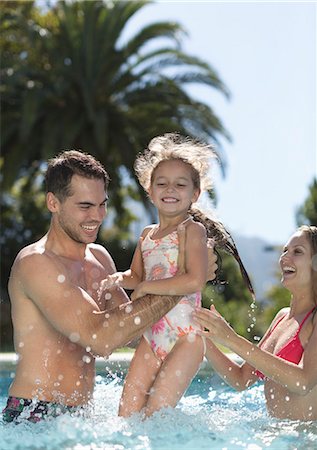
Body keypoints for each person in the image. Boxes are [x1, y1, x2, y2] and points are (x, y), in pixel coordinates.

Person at [2, 149, 218, 424]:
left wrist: (184, 278)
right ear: (53, 203)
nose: (97, 216)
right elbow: (102, 339)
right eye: (85, 206)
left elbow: (127, 330)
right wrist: (184, 280)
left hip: (81, 417)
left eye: (102, 204)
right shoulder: (37, 263)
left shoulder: (100, 258)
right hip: (34, 414)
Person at [99, 133, 254, 417]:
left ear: (194, 194)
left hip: (187, 337)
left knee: (155, 414)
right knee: (126, 414)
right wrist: (120, 279)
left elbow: (194, 280)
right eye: (162, 183)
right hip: (153, 334)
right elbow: (136, 275)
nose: (170, 189)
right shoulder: (147, 234)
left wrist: (147, 286)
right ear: (150, 189)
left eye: (180, 184)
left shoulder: (192, 230)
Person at [193, 225, 317, 421]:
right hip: (276, 436)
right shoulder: (281, 318)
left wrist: (231, 339)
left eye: (297, 252)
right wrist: (201, 336)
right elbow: (241, 379)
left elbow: (303, 382)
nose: (285, 257)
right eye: (285, 250)